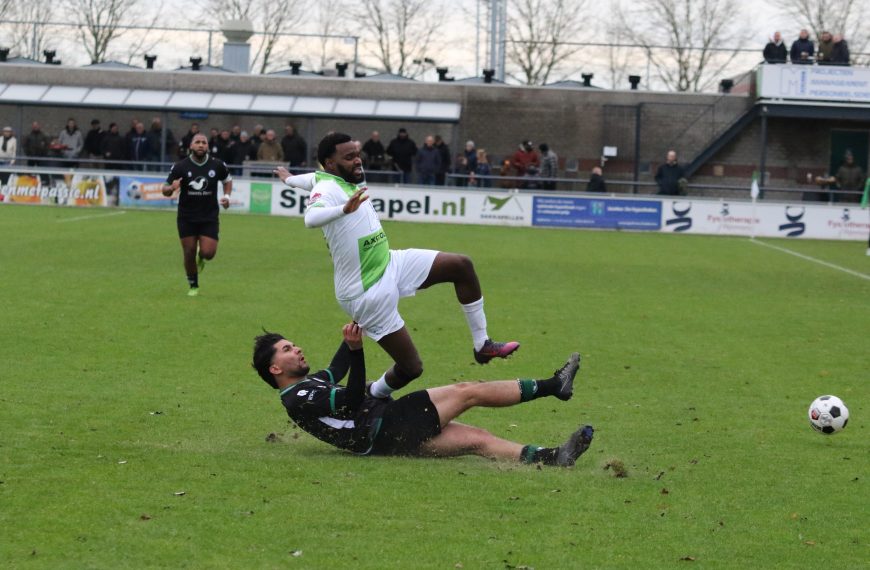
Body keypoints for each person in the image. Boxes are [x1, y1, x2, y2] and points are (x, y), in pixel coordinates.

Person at [272, 132, 519, 400]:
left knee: (460, 265)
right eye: (350, 157)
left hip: (390, 262)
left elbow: (307, 178)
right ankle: (375, 393)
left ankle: (482, 344)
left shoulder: (327, 177)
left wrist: (288, 178)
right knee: (411, 368)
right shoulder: (328, 189)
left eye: (358, 154)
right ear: (330, 164)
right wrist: (344, 209)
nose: (358, 161)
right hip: (366, 291)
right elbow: (311, 217)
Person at [252, 322, 593, 465]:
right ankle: (553, 386)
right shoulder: (298, 398)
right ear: (275, 369)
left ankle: (554, 458)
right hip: (386, 425)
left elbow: (337, 370)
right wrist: (357, 351)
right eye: (286, 349)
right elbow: (352, 400)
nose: (296, 349)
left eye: (293, 344)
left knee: (477, 439)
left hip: (384, 441)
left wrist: (357, 325)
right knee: (467, 391)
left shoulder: (307, 385)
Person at [162, 133, 233, 296]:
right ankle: (193, 285)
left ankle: (202, 257)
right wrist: (172, 188)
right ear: (191, 146)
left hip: (209, 216)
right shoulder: (180, 166)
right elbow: (164, 190)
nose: (201, 145)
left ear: (207, 146)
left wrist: (227, 196)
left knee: (208, 253)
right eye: (197, 142)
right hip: (186, 217)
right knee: (189, 252)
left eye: (204, 142)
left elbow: (227, 180)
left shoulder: (217, 165)